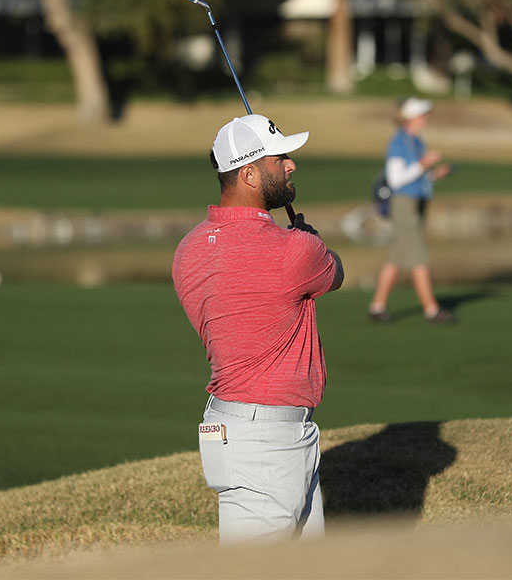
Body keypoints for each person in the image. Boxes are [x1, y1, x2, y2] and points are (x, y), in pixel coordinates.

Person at [172, 114, 344, 544]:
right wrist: (307, 237)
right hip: (267, 439)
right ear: (249, 173)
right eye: (279, 158)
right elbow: (334, 271)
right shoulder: (297, 250)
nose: (291, 165)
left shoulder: (188, 248)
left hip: (245, 429)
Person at [367, 97, 454, 324]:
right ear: (410, 118)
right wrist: (424, 164)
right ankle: (431, 310)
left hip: (416, 201)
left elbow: (415, 177)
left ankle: (377, 306)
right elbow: (396, 180)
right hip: (404, 204)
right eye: (421, 115)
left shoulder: (416, 141)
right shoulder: (399, 142)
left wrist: (434, 174)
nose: (425, 118)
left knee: (397, 256)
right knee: (418, 256)